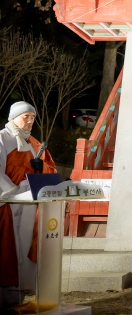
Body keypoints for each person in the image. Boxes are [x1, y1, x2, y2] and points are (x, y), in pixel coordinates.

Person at [0, 102, 56, 309]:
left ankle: (19, 297)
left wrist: (40, 171)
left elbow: (46, 171)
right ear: (13, 117)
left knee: (24, 248)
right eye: (26, 116)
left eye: (33, 117)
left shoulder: (33, 143)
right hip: (9, 203)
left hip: (30, 203)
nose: (30, 121)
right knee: (10, 250)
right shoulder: (2, 138)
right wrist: (14, 192)